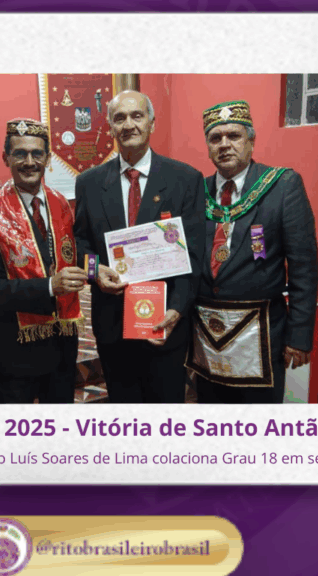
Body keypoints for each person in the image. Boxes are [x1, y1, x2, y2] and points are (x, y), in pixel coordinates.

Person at [73, 90, 204, 403]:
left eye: (137, 116)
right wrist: (94, 271)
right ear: (110, 128)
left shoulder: (185, 179)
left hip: (165, 323)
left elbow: (195, 252)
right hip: (112, 324)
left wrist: (177, 309)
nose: (129, 124)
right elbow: (79, 241)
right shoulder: (89, 182)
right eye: (120, 118)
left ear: (152, 123)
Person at [187, 100, 318, 404]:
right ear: (208, 146)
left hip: (260, 334)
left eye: (233, 136)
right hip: (206, 334)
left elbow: (304, 267)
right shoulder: (196, 191)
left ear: (251, 140)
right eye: (215, 138)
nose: (224, 144)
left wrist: (299, 337)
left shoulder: (282, 186)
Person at [0, 118, 86, 403]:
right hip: (16, 348)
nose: (29, 162)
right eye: (20, 153)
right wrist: (49, 287)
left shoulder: (61, 204)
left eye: (37, 153)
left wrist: (97, 272)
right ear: (6, 158)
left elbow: (77, 254)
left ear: (48, 159)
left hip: (63, 344)